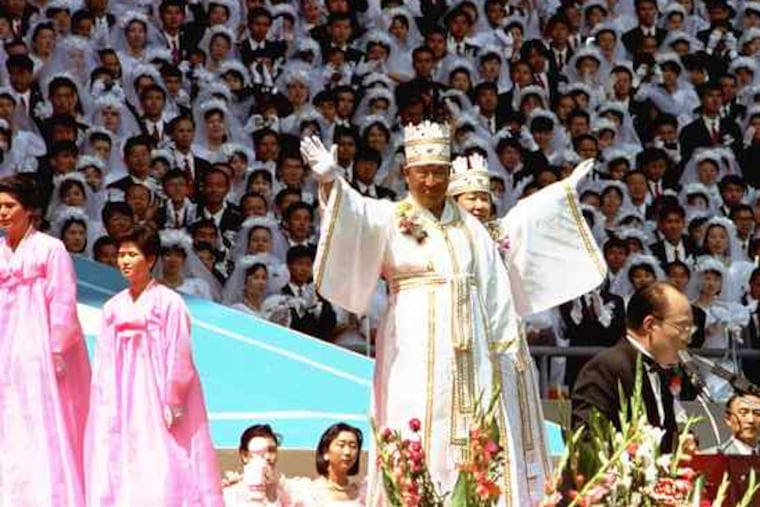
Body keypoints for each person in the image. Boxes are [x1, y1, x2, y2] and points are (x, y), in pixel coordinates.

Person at [301, 121, 578, 505]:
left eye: (438, 172)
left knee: (472, 432)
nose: (430, 181)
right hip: (410, 346)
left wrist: (505, 349)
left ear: (449, 174)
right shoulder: (391, 216)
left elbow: (494, 288)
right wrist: (333, 183)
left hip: (473, 354)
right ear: (406, 173)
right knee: (411, 423)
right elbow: (355, 215)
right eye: (422, 173)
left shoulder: (471, 228)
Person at [84, 225, 223, 506]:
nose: (124, 261)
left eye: (132, 254)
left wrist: (173, 399)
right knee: (123, 448)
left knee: (163, 451)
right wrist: (103, 397)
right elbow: (104, 357)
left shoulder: (169, 302)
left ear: (149, 259)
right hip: (123, 391)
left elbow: (179, 353)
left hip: (156, 390)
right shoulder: (112, 307)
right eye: (121, 254)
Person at [0, 175, 91, 506]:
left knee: (44, 420)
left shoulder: (50, 250)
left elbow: (63, 303)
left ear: (30, 211)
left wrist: (55, 351)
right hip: (5, 353)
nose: (2, 213)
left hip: (40, 351)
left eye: (10, 206)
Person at [572, 282, 694, 452]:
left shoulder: (659, 371)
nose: (688, 337)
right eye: (682, 327)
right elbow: (587, 444)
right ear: (650, 324)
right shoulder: (605, 368)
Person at [291, 422, 365, 506]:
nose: (347, 452)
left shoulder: (364, 494)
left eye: (353, 446)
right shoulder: (308, 493)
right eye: (341, 445)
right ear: (325, 452)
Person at [222, 424, 295, 506]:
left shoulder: (287, 494)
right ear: (244, 455)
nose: (267, 456)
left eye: (271, 450)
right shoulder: (229, 496)